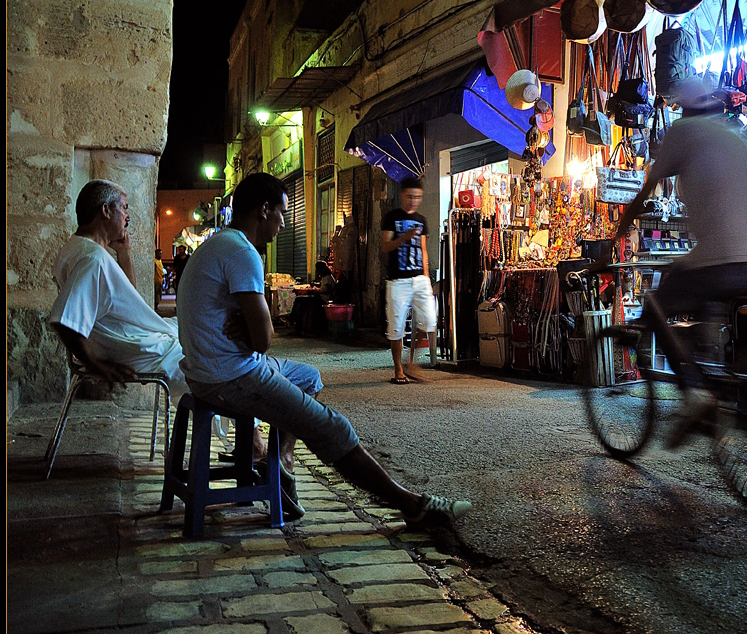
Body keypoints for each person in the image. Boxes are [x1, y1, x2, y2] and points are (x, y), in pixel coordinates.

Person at [176, 172, 471, 527]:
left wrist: (252, 321)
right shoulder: (241, 251)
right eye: (282, 214)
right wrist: (257, 324)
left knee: (309, 376)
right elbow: (263, 339)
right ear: (264, 209)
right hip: (231, 376)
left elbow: (256, 332)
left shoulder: (219, 243)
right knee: (333, 428)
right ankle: (413, 506)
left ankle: (281, 462)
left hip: (208, 370)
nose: (284, 224)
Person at [591, 78, 747, 446]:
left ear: (682, 108)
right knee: (701, 301)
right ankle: (716, 381)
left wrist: (613, 240)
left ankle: (696, 396)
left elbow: (644, 194)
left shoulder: (683, 131)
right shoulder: (735, 138)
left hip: (721, 257)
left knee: (658, 305)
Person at [49, 179, 188, 400]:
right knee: (213, 356)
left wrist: (124, 254)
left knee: (196, 330)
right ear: (105, 210)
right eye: (123, 207)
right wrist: (94, 364)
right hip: (136, 348)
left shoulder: (80, 248)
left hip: (132, 340)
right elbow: (63, 318)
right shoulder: (92, 258)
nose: (127, 216)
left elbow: (127, 300)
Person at [381, 178, 437, 384]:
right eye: (410, 196)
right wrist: (404, 237)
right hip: (398, 281)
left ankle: (410, 361)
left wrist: (427, 275)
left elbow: (423, 249)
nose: (414, 201)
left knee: (430, 320)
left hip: (420, 278)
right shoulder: (391, 218)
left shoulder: (422, 220)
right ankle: (398, 369)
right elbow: (385, 247)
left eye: (418, 197)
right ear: (403, 195)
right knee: (396, 326)